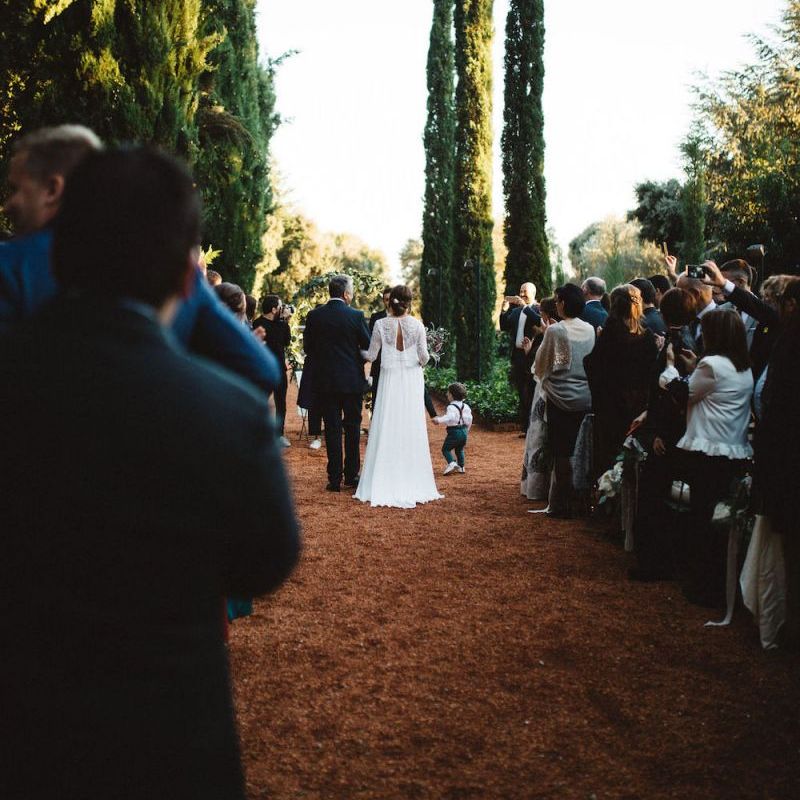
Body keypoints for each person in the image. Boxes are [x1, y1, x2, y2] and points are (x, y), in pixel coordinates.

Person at [0, 146, 300, 800]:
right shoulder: (228, 413)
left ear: (59, 252)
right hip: (172, 744)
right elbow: (264, 563)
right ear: (189, 280)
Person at [0, 124, 281, 395]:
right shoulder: (169, 267)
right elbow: (260, 368)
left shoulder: (11, 265)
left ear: (53, 189)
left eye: (17, 188)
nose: (7, 204)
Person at [659, 308, 753, 607]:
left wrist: (670, 367)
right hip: (733, 449)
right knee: (719, 519)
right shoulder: (743, 366)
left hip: (707, 449)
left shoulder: (711, 364)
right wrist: (696, 365)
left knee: (702, 518)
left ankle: (704, 586)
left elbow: (681, 393)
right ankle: (717, 584)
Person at [356, 284, 442, 507]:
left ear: (391, 302)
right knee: (410, 425)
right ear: (409, 303)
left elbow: (371, 355)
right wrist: (428, 355)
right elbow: (424, 358)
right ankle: (411, 479)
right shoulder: (418, 325)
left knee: (387, 424)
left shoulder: (380, 324)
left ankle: (384, 478)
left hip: (389, 380)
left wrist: (354, 350)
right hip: (411, 379)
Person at [749, 278, 800, 648]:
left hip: (785, 456)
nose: (777, 307)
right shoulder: (787, 335)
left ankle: (788, 625)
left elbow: (781, 403)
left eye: (781, 302)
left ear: (792, 305)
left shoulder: (790, 340)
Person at [303, 274, 371, 491]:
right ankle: (351, 475)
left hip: (325, 382)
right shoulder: (356, 315)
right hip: (351, 381)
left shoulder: (314, 316)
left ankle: (334, 479)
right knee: (352, 427)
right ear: (345, 294)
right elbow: (368, 345)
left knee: (331, 428)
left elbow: (307, 348)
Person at [533, 284, 595, 518]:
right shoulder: (590, 329)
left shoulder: (556, 330)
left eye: (558, 300)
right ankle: (582, 502)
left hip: (559, 398)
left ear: (563, 304)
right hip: (585, 397)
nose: (556, 304)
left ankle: (562, 505)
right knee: (581, 449)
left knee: (561, 450)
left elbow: (542, 365)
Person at [584, 284, 658, 477]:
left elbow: (593, 365)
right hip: (639, 405)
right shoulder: (648, 336)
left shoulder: (610, 333)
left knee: (609, 458)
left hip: (611, 406)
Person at [521, 297, 561, 501]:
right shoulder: (549, 332)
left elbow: (540, 366)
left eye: (541, 313)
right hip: (550, 390)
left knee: (539, 436)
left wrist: (533, 349)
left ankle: (538, 487)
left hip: (546, 390)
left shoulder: (551, 332)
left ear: (546, 315)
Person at [500, 282, 541, 431]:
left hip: (531, 355)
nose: (522, 294)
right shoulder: (516, 311)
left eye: (525, 291)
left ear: (533, 293)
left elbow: (539, 322)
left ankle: (532, 425)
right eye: (521, 291)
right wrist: (503, 311)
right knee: (520, 389)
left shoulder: (538, 309)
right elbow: (504, 326)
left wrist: (525, 306)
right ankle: (525, 425)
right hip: (518, 355)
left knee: (531, 389)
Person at [254, 295, 293, 447]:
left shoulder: (281, 324)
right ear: (273, 309)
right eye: (280, 307)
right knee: (260, 400)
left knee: (281, 403)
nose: (282, 309)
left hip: (279, 369)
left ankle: (279, 435)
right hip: (263, 369)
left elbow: (287, 342)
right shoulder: (258, 323)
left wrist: (286, 321)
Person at [432, 382, 473, 475]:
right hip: (464, 430)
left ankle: (452, 463)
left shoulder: (451, 407)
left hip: (454, 431)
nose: (447, 394)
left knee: (445, 449)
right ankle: (461, 467)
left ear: (451, 395)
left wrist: (438, 420)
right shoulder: (466, 406)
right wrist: (467, 430)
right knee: (459, 449)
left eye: (448, 392)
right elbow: (470, 419)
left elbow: (449, 417)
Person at [368, 285, 392, 406]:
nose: (389, 302)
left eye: (391, 299)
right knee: (377, 399)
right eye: (386, 299)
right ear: (383, 301)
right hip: (378, 364)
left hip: (395, 366)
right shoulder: (376, 317)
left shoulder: (404, 319)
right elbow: (369, 339)